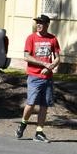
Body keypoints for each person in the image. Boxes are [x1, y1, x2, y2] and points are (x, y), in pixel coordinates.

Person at [16, 14, 61, 143]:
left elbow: (57, 57)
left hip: (47, 77)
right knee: (31, 103)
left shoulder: (52, 39)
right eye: (37, 23)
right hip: (34, 76)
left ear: (47, 25)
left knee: (44, 105)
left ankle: (39, 131)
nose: (39, 25)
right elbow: (26, 56)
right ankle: (23, 124)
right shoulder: (31, 38)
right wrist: (43, 64)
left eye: (41, 23)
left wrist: (51, 66)